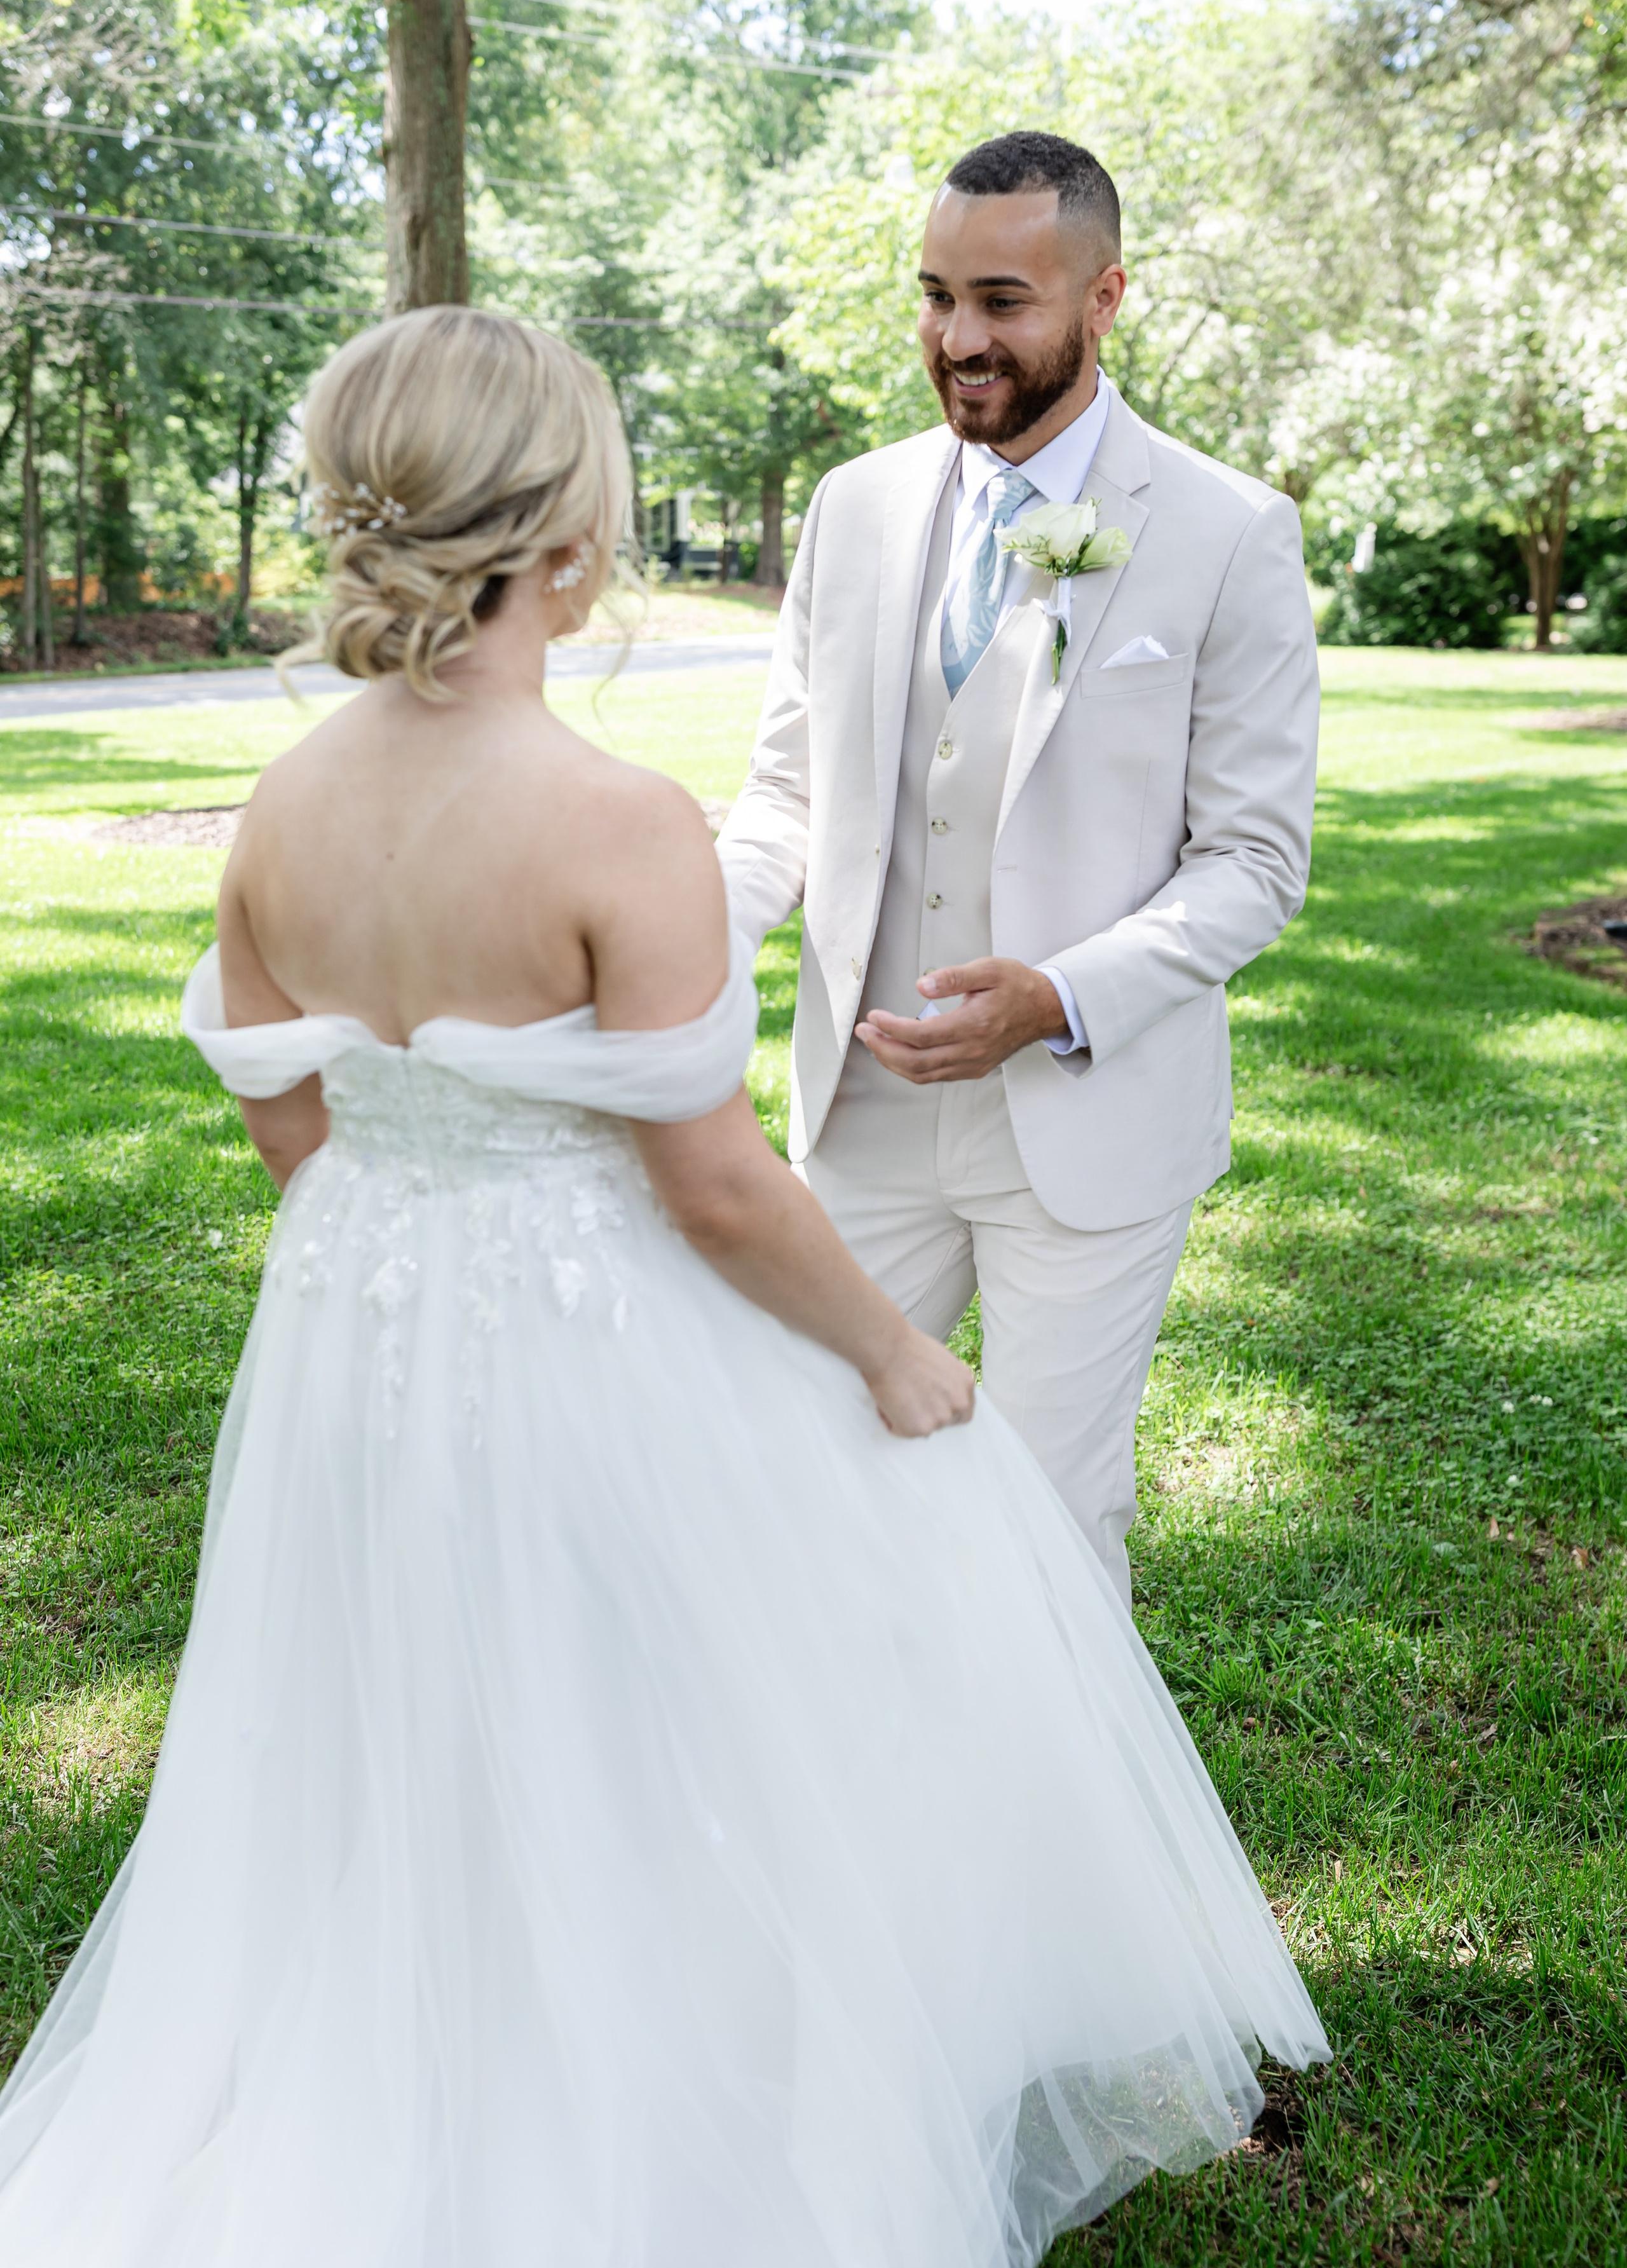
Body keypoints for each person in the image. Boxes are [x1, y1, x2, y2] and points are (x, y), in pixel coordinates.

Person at [0, 306, 1326, 2267]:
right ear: (566, 544)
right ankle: (631, 2107)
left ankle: (405, 2058)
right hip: (578, 1355)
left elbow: (294, 1129)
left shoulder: (282, 807)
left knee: (402, 1722)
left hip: (354, 1349)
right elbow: (711, 1180)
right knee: (625, 1716)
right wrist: (893, 1355)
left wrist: (411, 1248)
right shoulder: (620, 821)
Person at [717, 132, 1321, 1608]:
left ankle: (1051, 1841)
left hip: (1086, 1122)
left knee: (1050, 1528)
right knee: (804, 1484)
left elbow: (1250, 861)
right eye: (934, 298)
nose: (959, 340)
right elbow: (785, 795)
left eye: (1002, 300)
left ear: (1103, 297)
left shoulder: (1228, 532)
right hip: (856, 1112)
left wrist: (1054, 993)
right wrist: (690, 938)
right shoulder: (848, 507)